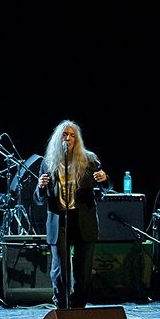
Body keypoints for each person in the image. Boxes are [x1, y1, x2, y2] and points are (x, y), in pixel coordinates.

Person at [34, 120, 109, 308]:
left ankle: (78, 307)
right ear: (58, 139)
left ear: (77, 140)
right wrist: (41, 187)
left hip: (83, 219)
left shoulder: (89, 160)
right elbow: (38, 199)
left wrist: (105, 179)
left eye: (72, 135)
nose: (68, 139)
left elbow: (106, 187)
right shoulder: (48, 163)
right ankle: (62, 306)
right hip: (59, 220)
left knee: (83, 271)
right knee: (60, 270)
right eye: (65, 135)